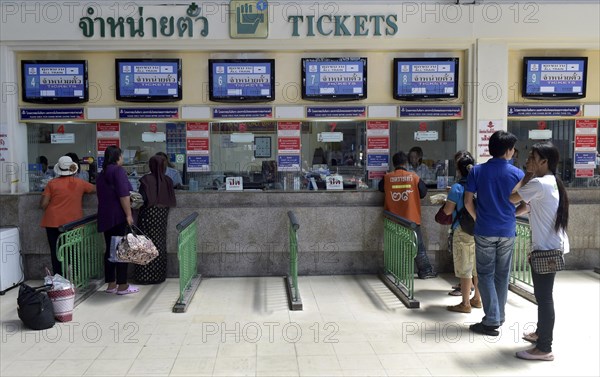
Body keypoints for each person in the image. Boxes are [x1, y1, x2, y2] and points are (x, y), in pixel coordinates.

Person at [510, 142, 569, 361]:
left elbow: (512, 197)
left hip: (546, 249)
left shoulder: (539, 183)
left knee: (544, 299)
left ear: (544, 161)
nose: (529, 161)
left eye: (533, 158)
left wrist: (526, 175)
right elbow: (529, 206)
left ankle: (545, 348)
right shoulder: (552, 181)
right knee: (543, 297)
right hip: (549, 246)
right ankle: (540, 334)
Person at [464, 130, 525, 336]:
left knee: (485, 274)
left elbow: (467, 201)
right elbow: (528, 205)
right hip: (507, 230)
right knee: (502, 275)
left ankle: (491, 320)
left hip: (484, 230)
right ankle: (498, 316)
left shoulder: (477, 171)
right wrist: (512, 216)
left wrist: (477, 218)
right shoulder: (517, 174)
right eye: (513, 149)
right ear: (508, 151)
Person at [379, 151, 436, 279]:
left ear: (393, 164)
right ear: (406, 163)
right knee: (417, 247)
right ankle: (425, 271)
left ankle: (397, 271)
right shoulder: (414, 177)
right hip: (411, 219)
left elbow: (380, 188)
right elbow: (423, 193)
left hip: (393, 220)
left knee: (396, 247)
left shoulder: (387, 178)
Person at [40, 156, 95, 276]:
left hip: (52, 221)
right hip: (73, 223)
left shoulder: (52, 183)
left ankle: (59, 277)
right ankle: (75, 276)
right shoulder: (79, 183)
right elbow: (94, 189)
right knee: (73, 251)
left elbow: (44, 204)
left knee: (55, 252)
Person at [442, 151, 482, 313]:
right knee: (477, 268)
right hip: (480, 230)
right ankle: (477, 299)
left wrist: (446, 200)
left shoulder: (457, 188)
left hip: (462, 230)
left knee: (465, 268)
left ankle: (465, 303)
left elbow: (447, 211)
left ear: (458, 170)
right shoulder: (481, 186)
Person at [96, 145, 138, 295]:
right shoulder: (118, 171)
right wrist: (128, 215)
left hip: (105, 217)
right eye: (121, 156)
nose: (122, 159)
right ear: (117, 157)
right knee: (122, 249)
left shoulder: (101, 174)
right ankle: (122, 286)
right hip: (118, 216)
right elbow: (123, 195)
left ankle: (111, 284)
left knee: (110, 250)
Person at [134, 155, 177, 284]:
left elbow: (142, 199)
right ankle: (158, 275)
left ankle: (145, 275)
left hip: (147, 216)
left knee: (145, 244)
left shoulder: (146, 180)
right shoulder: (168, 180)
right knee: (159, 244)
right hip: (162, 217)